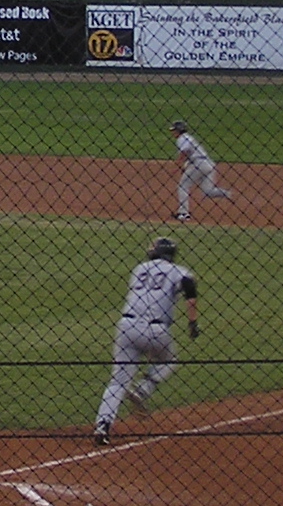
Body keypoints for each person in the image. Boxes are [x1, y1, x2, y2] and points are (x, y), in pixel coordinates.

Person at [93, 235, 199, 445]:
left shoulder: (139, 269)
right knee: (168, 360)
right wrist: (192, 323)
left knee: (117, 382)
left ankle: (102, 425)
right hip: (157, 332)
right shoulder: (179, 271)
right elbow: (189, 285)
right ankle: (143, 389)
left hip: (127, 328)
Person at [169, 120, 232, 222]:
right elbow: (191, 153)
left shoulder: (182, 138)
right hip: (208, 164)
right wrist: (185, 166)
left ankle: (184, 214)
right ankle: (226, 194)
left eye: (174, 130)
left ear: (179, 130)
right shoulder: (189, 138)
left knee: (183, 186)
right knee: (208, 192)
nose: (173, 133)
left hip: (199, 164)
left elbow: (184, 152)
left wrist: (177, 165)